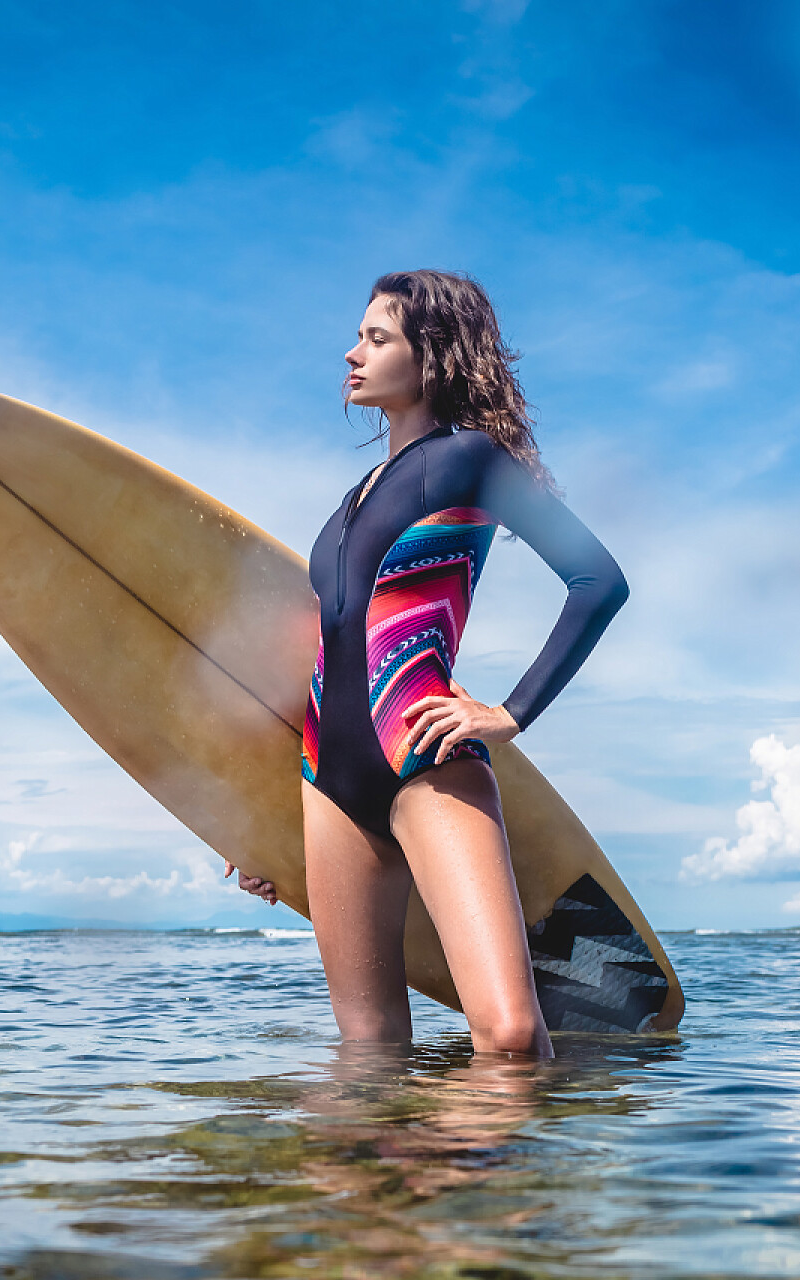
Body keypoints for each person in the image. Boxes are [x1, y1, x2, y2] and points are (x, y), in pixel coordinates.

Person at [226, 270, 628, 1059]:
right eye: (359, 336)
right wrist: (255, 827)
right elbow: (323, 654)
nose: (352, 353)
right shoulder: (352, 497)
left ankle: (492, 1182)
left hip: (422, 755)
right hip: (324, 780)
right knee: (369, 1056)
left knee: (509, 1036)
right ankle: (386, 1185)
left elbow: (598, 582)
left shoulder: (468, 460)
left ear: (432, 355)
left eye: (377, 338)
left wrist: (510, 713)